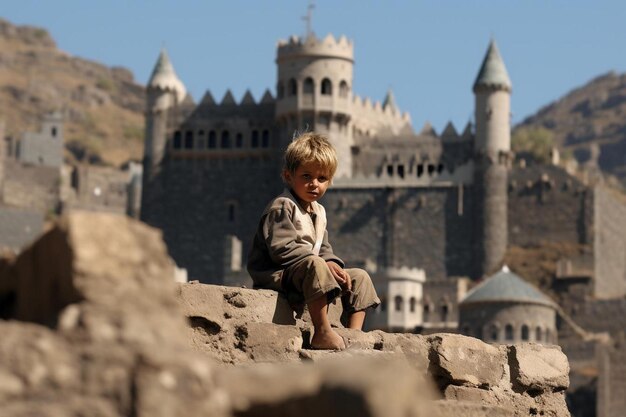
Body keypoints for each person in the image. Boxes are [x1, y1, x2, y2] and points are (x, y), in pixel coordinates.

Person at [247, 132, 380, 350]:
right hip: (279, 275)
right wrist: (321, 263)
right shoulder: (282, 206)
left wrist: (334, 265)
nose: (313, 184)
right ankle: (322, 331)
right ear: (288, 176)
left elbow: (323, 248)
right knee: (316, 265)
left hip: (306, 272)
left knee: (359, 277)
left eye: (321, 179)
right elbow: (282, 249)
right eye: (306, 176)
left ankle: (354, 333)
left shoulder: (318, 212)